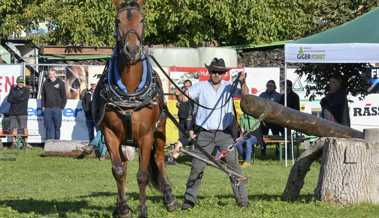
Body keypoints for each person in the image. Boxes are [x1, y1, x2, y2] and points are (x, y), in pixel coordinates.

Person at [179, 57, 249, 210]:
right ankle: (188, 201)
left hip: (225, 135)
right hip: (204, 134)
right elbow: (183, 97)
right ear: (209, 72)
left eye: (219, 72)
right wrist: (182, 94)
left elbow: (246, 95)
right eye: (213, 71)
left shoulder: (229, 86)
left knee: (234, 168)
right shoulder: (200, 86)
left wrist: (243, 82)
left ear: (224, 73)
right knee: (197, 167)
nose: (216, 74)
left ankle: (243, 201)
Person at [41, 68, 67, 140]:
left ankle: (57, 144)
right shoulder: (45, 83)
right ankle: (49, 144)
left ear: (55, 74)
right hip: (47, 109)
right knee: (48, 127)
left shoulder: (60, 83)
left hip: (57, 108)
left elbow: (64, 96)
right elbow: (43, 96)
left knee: (57, 127)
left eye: (52, 74)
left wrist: (62, 107)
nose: (51, 75)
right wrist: (43, 106)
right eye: (50, 74)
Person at [7, 76, 31, 148]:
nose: (20, 84)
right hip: (13, 112)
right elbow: (9, 99)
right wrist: (17, 98)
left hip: (22, 112)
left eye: (22, 82)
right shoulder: (12, 89)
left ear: (23, 83)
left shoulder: (26, 90)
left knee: (24, 128)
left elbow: (24, 98)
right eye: (19, 82)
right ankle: (14, 143)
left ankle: (26, 143)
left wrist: (15, 98)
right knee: (14, 128)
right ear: (16, 82)